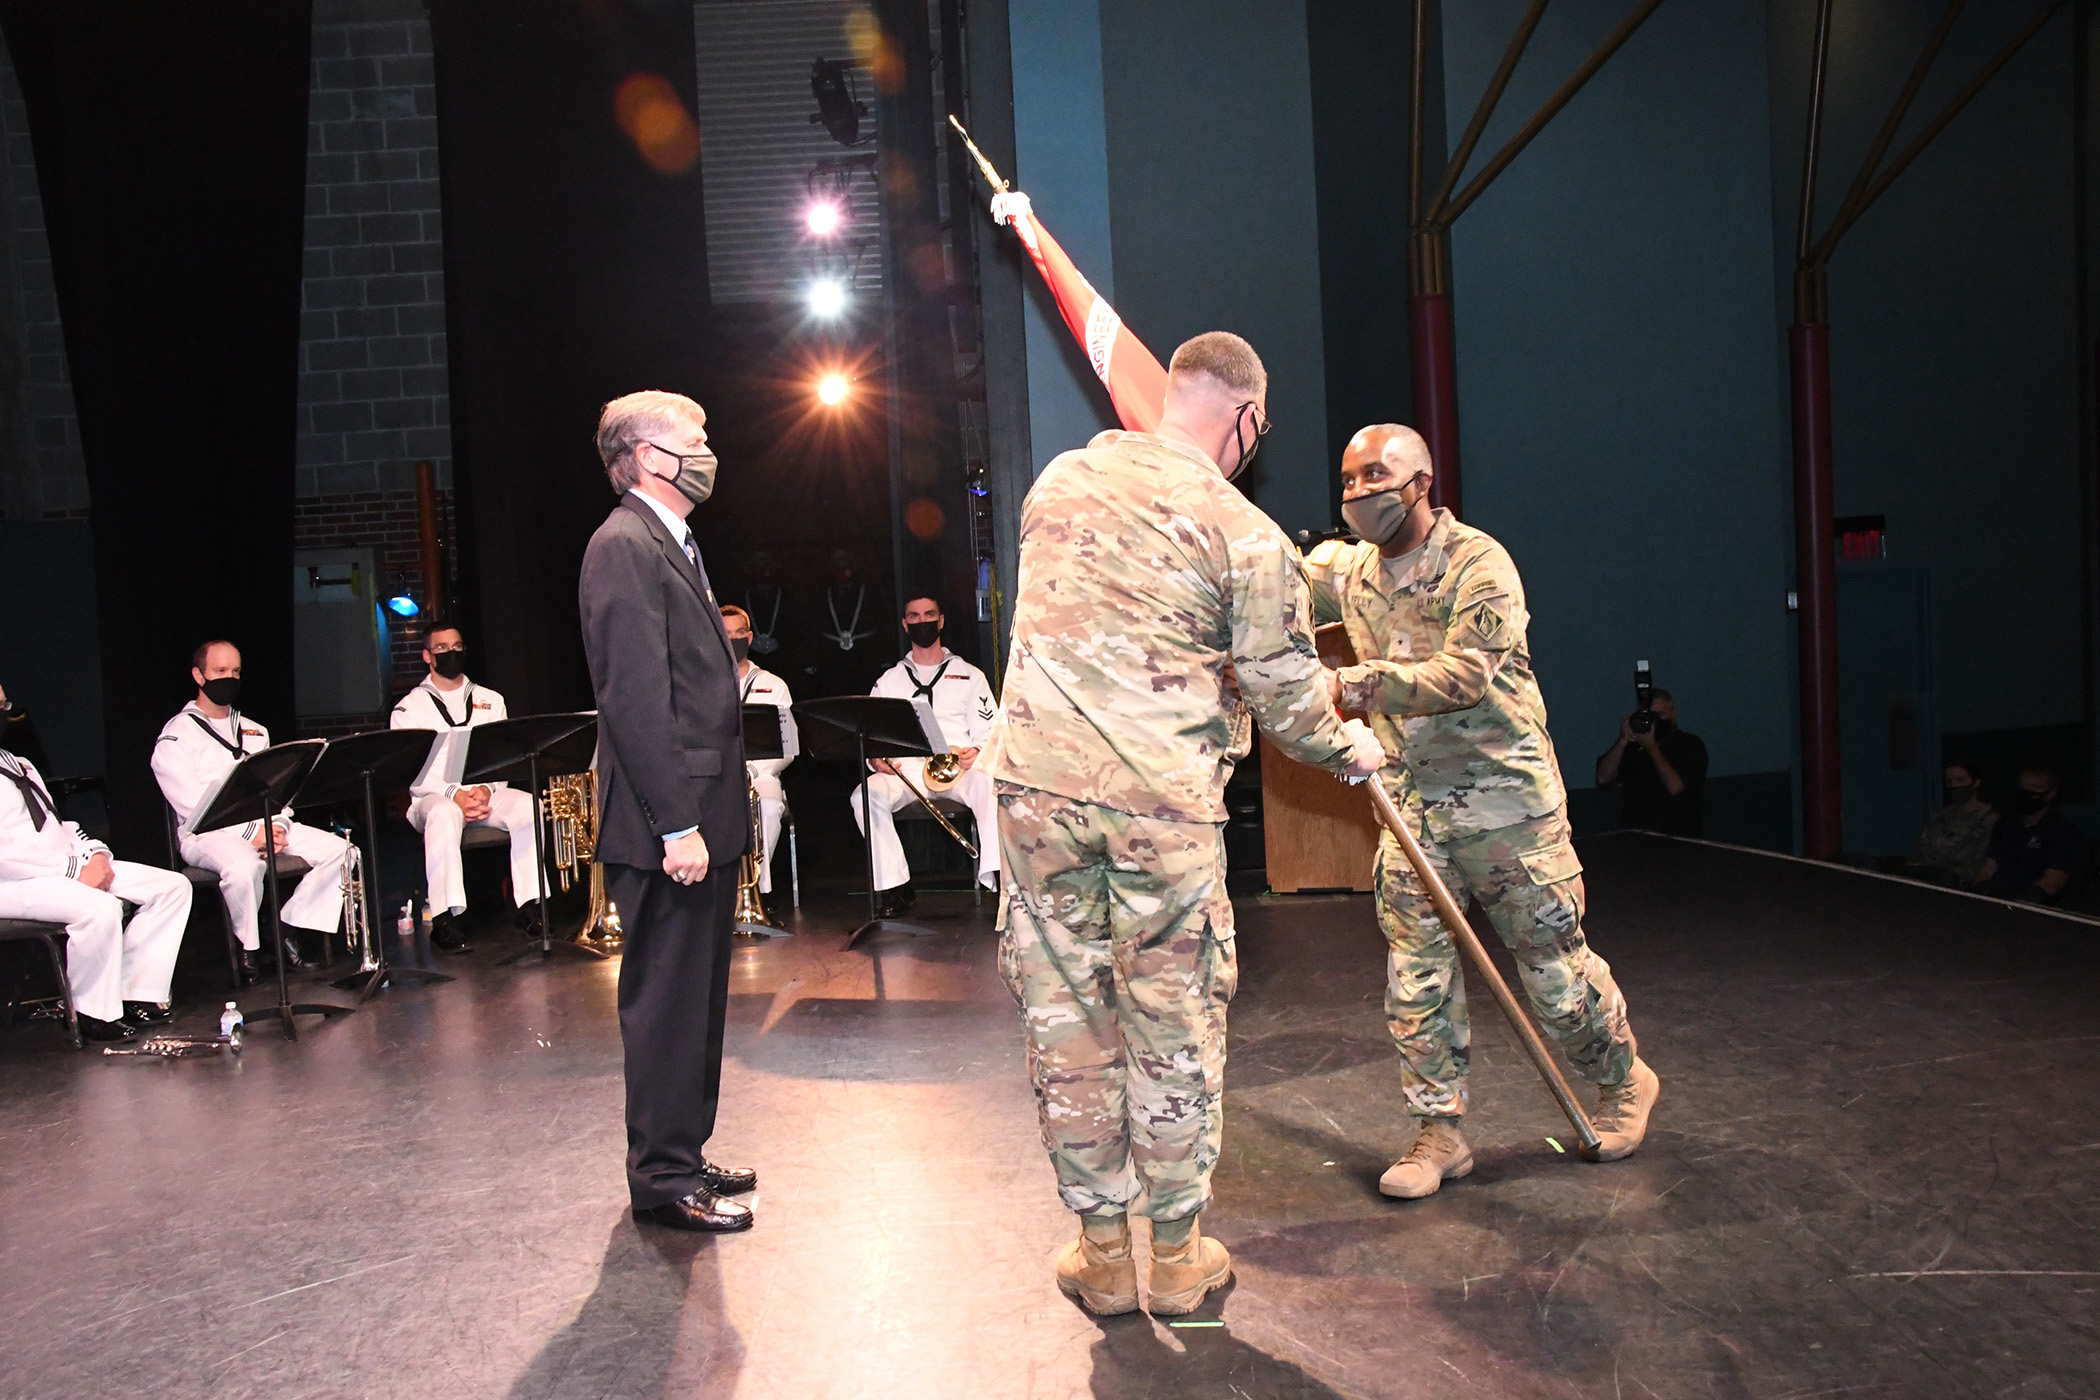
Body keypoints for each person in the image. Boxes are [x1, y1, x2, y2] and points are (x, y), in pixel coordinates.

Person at [985, 331, 1387, 1318]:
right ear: (1246, 417)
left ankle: (1101, 1253)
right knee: (1172, 1021)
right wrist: (1352, 747)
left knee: (1067, 1019)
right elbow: (1287, 698)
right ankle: (1174, 1255)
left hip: (1037, 795)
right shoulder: (1245, 533)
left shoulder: (1058, 483)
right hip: (1158, 804)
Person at [1304, 423, 1657, 1205]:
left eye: (1376, 476)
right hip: (1411, 811)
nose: (1359, 493)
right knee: (1417, 979)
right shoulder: (1349, 570)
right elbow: (1272, 575)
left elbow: (1463, 675)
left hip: (1505, 808)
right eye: (1349, 480)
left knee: (1555, 977)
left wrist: (1350, 686)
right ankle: (1439, 1130)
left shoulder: (1478, 564)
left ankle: (1622, 1079)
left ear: (1421, 483)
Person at [579, 390, 755, 1234]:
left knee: (697, 1003)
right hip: (668, 826)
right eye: (697, 437)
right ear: (650, 456)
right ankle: (661, 1177)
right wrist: (676, 825)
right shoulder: (622, 545)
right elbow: (636, 699)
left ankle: (683, 1149)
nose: (708, 450)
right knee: (665, 1008)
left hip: (700, 812)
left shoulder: (671, 539)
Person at [151, 641, 348, 983]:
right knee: (244, 867)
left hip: (264, 824)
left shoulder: (255, 731)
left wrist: (278, 825)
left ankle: (287, 926)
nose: (229, 678)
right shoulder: (176, 735)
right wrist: (249, 833)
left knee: (342, 851)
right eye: (220, 671)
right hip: (207, 835)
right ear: (198, 676)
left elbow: (277, 790)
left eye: (236, 671)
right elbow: (194, 808)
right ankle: (248, 947)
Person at [0, 741, 191, 1041]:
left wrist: (94, 853)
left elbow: (56, 823)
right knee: (100, 908)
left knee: (172, 888)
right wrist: (73, 869)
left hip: (61, 865)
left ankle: (134, 992)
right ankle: (90, 1010)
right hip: (14, 883)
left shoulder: (17, 763)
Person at [389, 623, 541, 953]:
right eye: (442, 648)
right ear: (427, 656)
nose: (451, 653)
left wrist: (486, 789)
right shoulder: (408, 708)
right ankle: (445, 919)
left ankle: (530, 905)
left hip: (482, 794)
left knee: (529, 807)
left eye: (457, 646)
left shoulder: (491, 700)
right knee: (444, 813)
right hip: (432, 799)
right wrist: (453, 794)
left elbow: (502, 756)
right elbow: (412, 770)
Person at [851, 594, 999, 915]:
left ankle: (997, 878)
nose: (922, 622)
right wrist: (875, 759)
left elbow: (990, 731)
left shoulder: (970, 675)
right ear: (905, 625)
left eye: (929, 615)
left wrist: (977, 752)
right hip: (906, 771)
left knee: (989, 785)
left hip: (958, 768)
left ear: (941, 621)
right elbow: (872, 736)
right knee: (864, 795)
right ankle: (894, 888)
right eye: (914, 616)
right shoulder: (889, 680)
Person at [721, 604, 798, 897]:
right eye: (727, 634)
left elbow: (788, 748)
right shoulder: (701, 684)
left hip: (762, 775)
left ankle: (757, 894)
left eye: (739, 633)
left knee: (767, 805)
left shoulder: (773, 685)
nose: (734, 639)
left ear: (750, 637)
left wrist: (752, 770)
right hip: (715, 776)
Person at [1594, 689, 1708, 836]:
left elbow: (1675, 787)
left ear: (1672, 712)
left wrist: (1651, 746)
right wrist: (1623, 740)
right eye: (1651, 716)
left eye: (1660, 714)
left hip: (1678, 836)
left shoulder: (1689, 744)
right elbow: (1603, 778)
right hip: (1635, 836)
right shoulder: (1634, 748)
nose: (1656, 721)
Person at [1973, 764, 2085, 906]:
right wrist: (1977, 893)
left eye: (2035, 788)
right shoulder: (2005, 825)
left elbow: (2053, 881)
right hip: (1998, 899)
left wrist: (2021, 902)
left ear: (2051, 793)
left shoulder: (2062, 831)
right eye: (2024, 787)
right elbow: (1988, 868)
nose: (2028, 793)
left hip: (2033, 905)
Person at [1905, 759, 1996, 886]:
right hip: (1927, 879)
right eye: (1949, 782)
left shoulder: (1989, 819)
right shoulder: (1939, 816)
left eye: (1960, 780)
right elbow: (1919, 851)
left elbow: (1984, 865)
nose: (1954, 786)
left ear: (1976, 782)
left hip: (1959, 883)